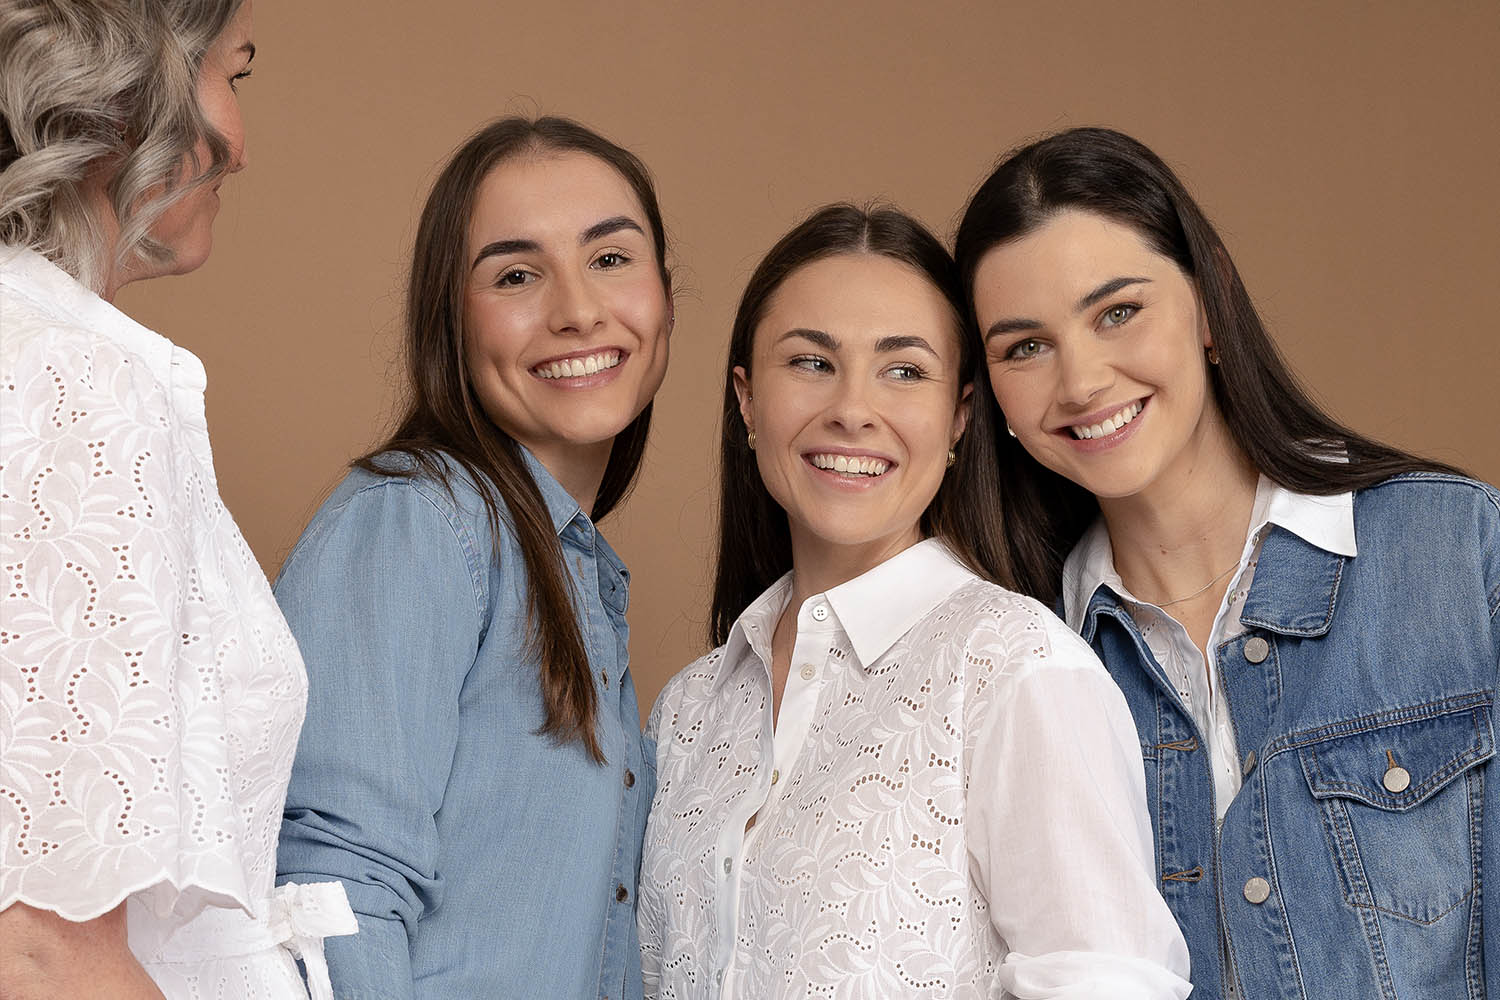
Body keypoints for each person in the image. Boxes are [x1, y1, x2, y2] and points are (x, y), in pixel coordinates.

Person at [953, 126, 1500, 999]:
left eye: (1118, 312)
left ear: (1209, 307)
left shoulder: (1456, 554)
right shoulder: (1019, 661)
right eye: (1025, 346)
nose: (1082, 380)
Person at [638, 203, 1192, 999]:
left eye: (904, 370)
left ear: (961, 414)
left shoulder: (1016, 671)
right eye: (809, 362)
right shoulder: (686, 715)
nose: (853, 409)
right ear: (747, 399)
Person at [0, 2, 357, 997]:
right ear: (134, 83)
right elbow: (38, 952)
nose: (239, 147)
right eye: (234, 75)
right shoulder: (73, 380)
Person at [273, 115, 671, 999]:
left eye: (610, 258)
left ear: (665, 294)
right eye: (517, 274)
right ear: (450, 319)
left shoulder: (569, 569)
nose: (576, 310)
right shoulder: (419, 521)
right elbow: (331, 895)